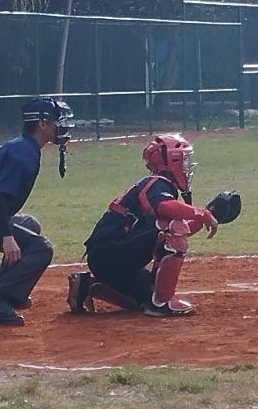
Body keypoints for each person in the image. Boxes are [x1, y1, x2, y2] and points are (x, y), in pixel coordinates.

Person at [68, 134, 219, 318]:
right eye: (183, 159)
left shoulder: (158, 185)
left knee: (144, 297)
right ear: (171, 159)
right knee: (172, 227)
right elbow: (166, 212)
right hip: (110, 252)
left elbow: (179, 230)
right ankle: (161, 304)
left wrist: (210, 214)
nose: (186, 166)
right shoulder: (157, 183)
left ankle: (87, 286)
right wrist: (201, 213)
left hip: (109, 256)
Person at [0, 97, 73, 326]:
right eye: (57, 121)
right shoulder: (23, 153)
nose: (62, 126)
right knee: (41, 248)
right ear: (43, 124)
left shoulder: (24, 146)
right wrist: (7, 237)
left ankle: (6, 289)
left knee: (30, 224)